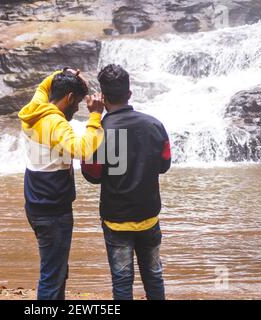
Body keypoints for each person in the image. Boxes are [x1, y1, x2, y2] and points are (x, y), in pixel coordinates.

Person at [81, 64, 171, 300]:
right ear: (129, 94)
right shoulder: (155, 125)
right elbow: (164, 165)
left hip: (116, 220)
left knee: (121, 281)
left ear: (102, 97)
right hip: (149, 217)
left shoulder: (99, 131)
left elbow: (92, 175)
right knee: (154, 275)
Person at [18, 68, 104, 300]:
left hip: (35, 205)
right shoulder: (56, 124)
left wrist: (63, 73)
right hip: (53, 211)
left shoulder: (35, 109)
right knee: (52, 274)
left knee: (56, 270)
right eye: (76, 104)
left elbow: (42, 87)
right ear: (69, 98)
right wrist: (95, 115)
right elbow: (83, 150)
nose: (77, 110)